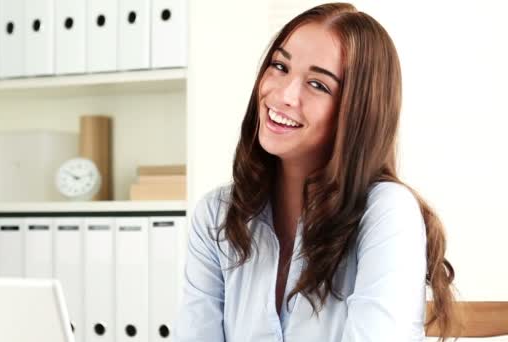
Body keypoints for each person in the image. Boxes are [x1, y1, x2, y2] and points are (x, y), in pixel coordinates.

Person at [174, 2, 457, 342]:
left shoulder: (387, 212)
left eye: (318, 85)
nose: (284, 95)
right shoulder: (216, 214)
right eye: (279, 66)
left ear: (357, 113)